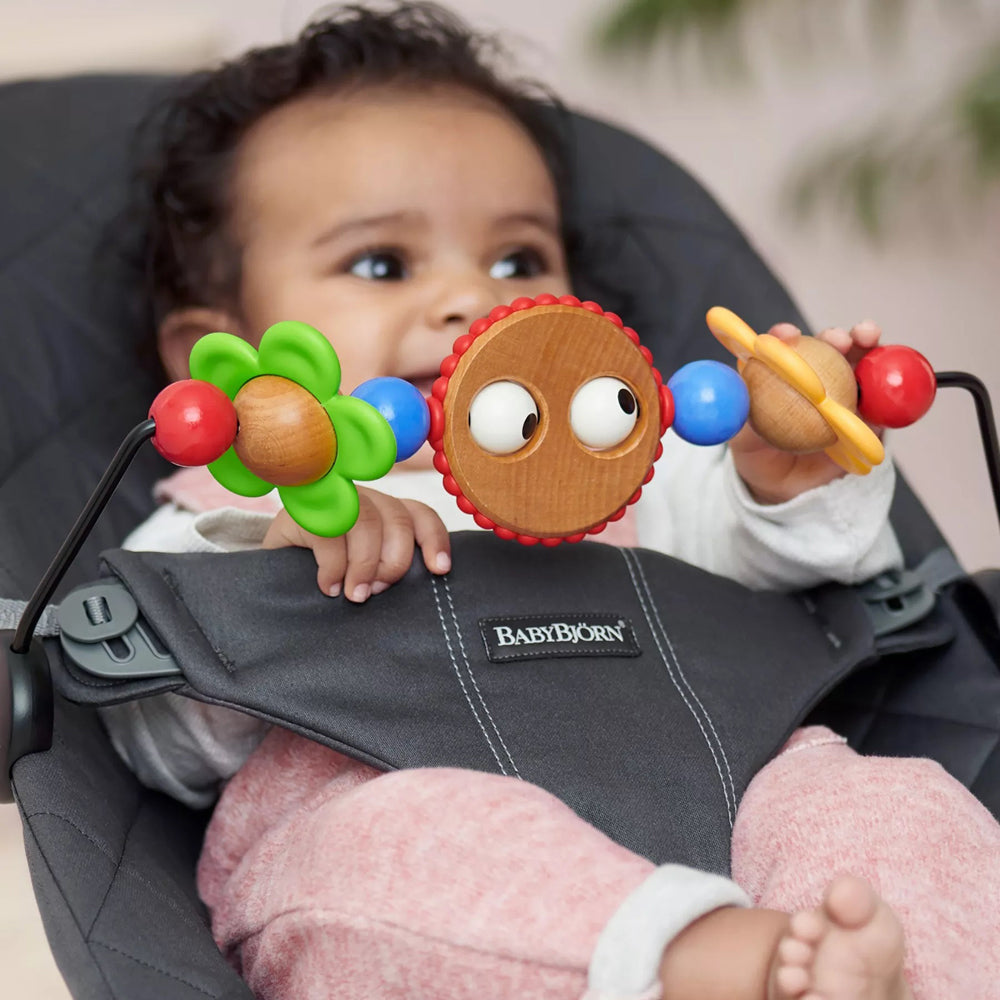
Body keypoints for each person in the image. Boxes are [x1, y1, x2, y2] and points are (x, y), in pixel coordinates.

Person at [100, 4, 1000, 999]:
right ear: (217, 354)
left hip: (716, 790)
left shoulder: (633, 463)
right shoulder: (214, 515)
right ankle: (711, 966)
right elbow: (161, 740)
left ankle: (890, 978)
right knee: (392, 848)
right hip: (428, 844)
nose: (471, 299)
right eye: (381, 264)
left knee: (887, 804)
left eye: (517, 260)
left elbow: (803, 572)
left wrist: (784, 478)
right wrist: (282, 572)